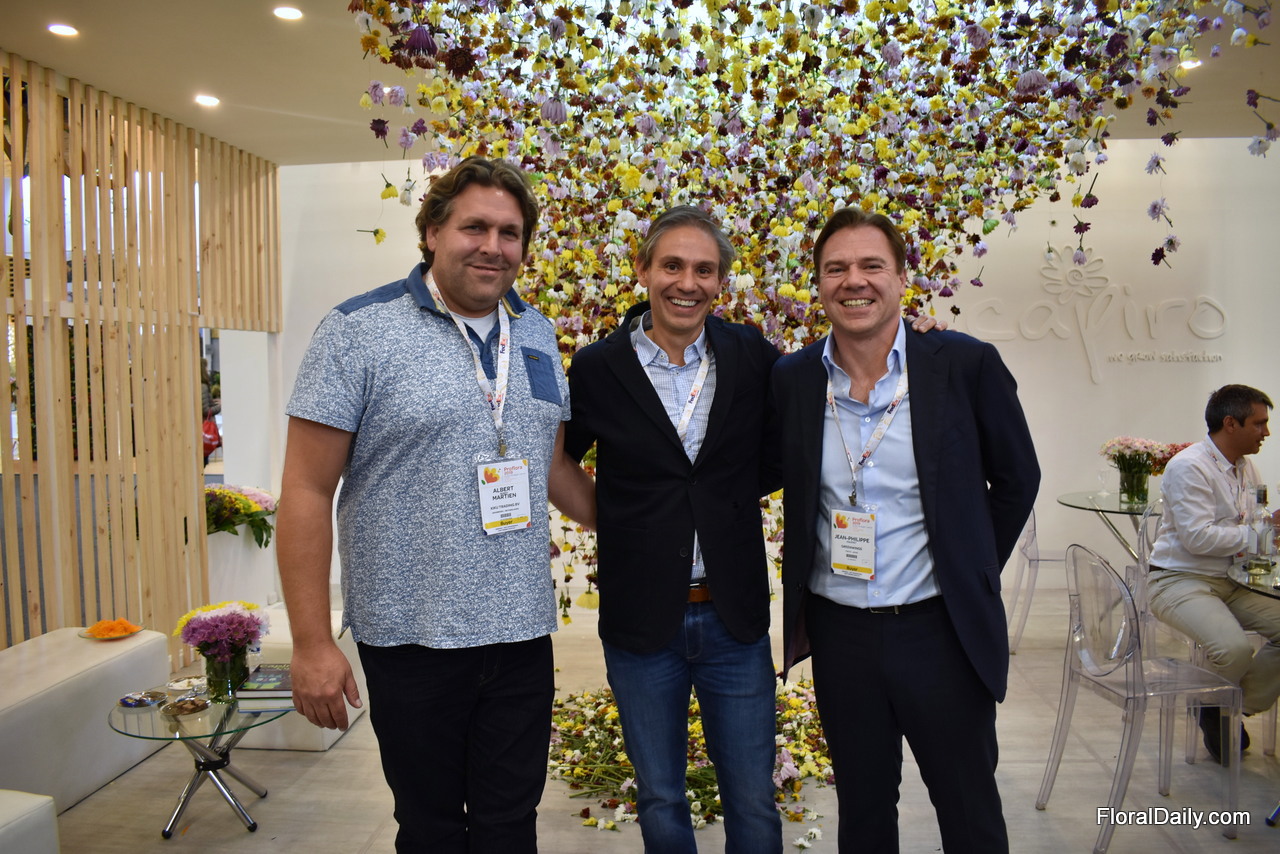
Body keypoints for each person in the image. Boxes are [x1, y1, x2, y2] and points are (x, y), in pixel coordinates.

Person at [276, 156, 594, 853]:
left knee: (511, 828)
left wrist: (640, 527)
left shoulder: (536, 333)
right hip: (410, 637)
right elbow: (304, 490)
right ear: (431, 232)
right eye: (475, 227)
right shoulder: (358, 331)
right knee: (431, 831)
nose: (493, 246)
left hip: (519, 633)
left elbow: (550, 465)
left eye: (510, 233)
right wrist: (311, 642)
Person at [771, 206, 1039, 852]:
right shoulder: (795, 379)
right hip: (841, 633)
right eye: (836, 268)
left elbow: (1017, 479)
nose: (853, 281)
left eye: (871, 265)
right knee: (863, 809)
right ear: (818, 282)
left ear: (900, 278)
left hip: (939, 629)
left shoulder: (964, 365)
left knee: (968, 808)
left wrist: (969, 569)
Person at [564, 206, 784, 852]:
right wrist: (617, 519)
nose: (688, 283)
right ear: (643, 270)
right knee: (660, 795)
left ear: (720, 282)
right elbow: (559, 460)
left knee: (753, 797)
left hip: (733, 620)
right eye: (673, 266)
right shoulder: (598, 367)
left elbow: (784, 445)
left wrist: (722, 504)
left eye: (704, 270)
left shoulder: (751, 356)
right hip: (640, 624)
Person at [1147, 383, 1280, 764]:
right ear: (1230, 423)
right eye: (1259, 424)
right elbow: (1198, 538)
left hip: (1233, 580)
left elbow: (1251, 525)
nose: (1266, 433)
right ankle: (1217, 706)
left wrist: (1268, 531)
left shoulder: (1246, 466)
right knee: (1233, 649)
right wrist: (1262, 532)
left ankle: (1224, 707)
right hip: (1177, 580)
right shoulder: (1188, 466)